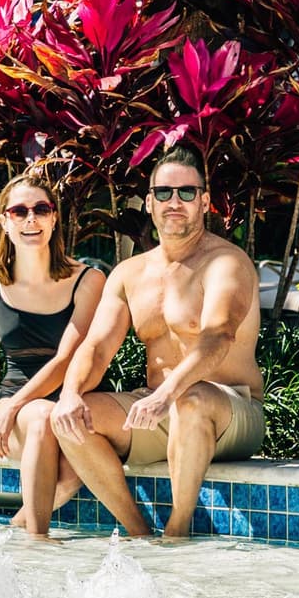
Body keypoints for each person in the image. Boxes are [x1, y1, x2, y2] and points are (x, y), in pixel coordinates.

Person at [51, 145, 265, 539]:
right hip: (159, 408)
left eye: (187, 193)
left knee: (192, 399)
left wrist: (168, 392)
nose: (175, 202)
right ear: (149, 202)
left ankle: (177, 532)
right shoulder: (130, 273)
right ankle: (139, 534)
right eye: (164, 193)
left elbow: (219, 335)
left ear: (204, 202)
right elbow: (97, 347)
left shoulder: (225, 263)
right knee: (69, 419)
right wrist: (70, 394)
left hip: (229, 408)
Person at [0, 174, 107, 533]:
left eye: (40, 209)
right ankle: (38, 541)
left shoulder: (88, 280)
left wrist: (16, 404)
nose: (30, 219)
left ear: (54, 219)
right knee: (42, 418)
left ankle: (15, 535)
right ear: (4, 221)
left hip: (74, 401)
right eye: (19, 211)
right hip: (17, 407)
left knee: (69, 472)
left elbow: (67, 359)